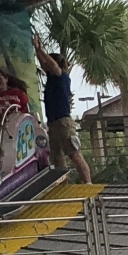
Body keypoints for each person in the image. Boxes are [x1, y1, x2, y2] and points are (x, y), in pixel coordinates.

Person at [34, 34, 93, 185]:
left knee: (73, 153)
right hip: (53, 121)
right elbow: (44, 63)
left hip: (63, 120)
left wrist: (41, 49)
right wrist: (37, 50)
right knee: (57, 155)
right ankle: (64, 183)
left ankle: (87, 182)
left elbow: (51, 64)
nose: (45, 66)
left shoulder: (61, 76)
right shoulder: (52, 77)